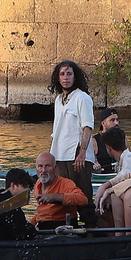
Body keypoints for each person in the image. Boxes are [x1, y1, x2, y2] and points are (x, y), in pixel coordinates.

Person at [49, 59, 95, 200]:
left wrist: (82, 153)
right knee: (64, 196)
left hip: (77, 157)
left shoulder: (82, 98)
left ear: (75, 77)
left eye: (69, 74)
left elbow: (87, 127)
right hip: (60, 155)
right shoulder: (58, 100)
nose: (66, 77)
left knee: (82, 196)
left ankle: (90, 222)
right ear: (58, 77)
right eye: (62, 74)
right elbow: (57, 130)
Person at [32, 152, 88, 230]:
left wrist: (55, 197)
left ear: (55, 168)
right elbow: (41, 214)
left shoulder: (66, 183)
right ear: (36, 168)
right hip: (42, 225)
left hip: (62, 226)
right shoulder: (38, 184)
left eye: (48, 166)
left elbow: (83, 199)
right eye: (40, 166)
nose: (43, 170)